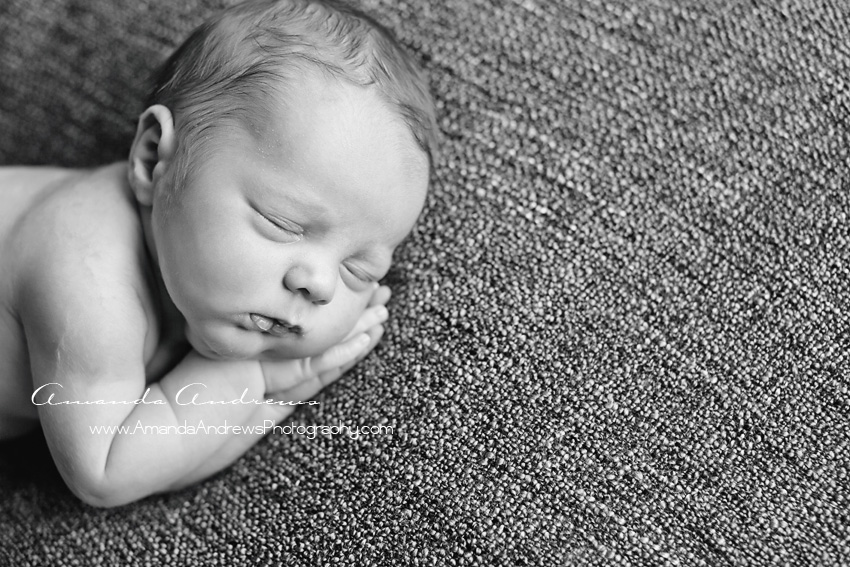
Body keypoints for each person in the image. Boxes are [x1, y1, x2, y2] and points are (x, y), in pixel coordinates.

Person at [0, 0, 438, 507]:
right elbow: (106, 471)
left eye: (359, 269)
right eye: (283, 222)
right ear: (152, 159)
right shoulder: (85, 270)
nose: (319, 284)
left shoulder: (189, 274)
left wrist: (271, 396)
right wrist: (249, 378)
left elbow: (166, 460)